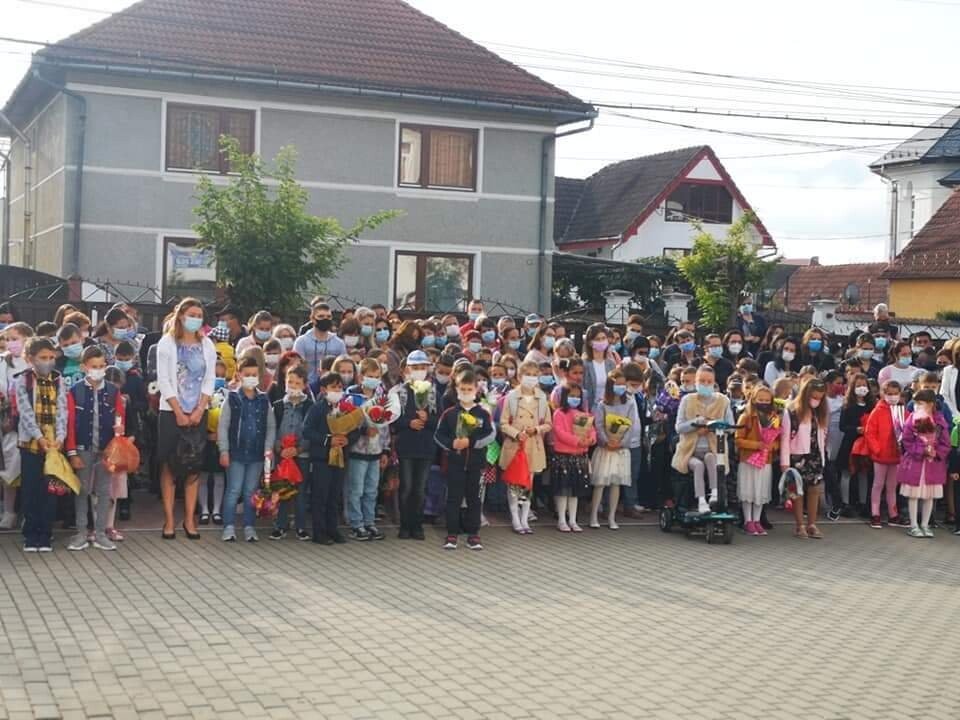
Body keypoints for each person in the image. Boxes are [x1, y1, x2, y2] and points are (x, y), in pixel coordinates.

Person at [155, 298, 217, 540]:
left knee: (193, 467)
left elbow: (209, 379)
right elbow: (163, 380)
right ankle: (169, 520)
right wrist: (178, 411)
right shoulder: (167, 343)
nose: (196, 319)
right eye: (192, 314)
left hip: (197, 411)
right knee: (169, 466)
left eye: (199, 316)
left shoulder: (207, 344)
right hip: (171, 412)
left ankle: (189, 519)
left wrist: (200, 408)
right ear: (181, 316)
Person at [64, 346, 125, 551]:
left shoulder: (113, 391)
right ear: (84, 367)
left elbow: (120, 416)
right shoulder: (75, 391)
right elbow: (70, 424)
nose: (98, 370)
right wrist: (72, 452)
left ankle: (100, 533)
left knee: (104, 491)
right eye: (94, 366)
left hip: (107, 450)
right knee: (82, 491)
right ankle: (81, 532)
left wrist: (119, 431)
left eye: (101, 366)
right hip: (83, 448)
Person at [15, 337, 68, 552]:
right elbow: (25, 412)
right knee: (31, 489)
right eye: (43, 357)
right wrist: (38, 437)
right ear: (31, 359)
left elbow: (63, 410)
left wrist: (60, 437)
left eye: (51, 357)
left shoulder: (58, 379)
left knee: (50, 489)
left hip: (53, 445)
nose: (48, 361)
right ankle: (31, 534)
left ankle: (45, 533)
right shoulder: (24, 380)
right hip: (31, 444)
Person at [218, 356, 276, 543]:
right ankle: (228, 526)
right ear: (239, 375)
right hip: (236, 453)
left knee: (251, 492)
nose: (251, 378)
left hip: (257, 454)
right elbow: (223, 426)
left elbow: (271, 426)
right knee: (233, 490)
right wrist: (224, 451)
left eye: (254, 374)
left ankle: (249, 526)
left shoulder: (264, 399)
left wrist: (268, 449)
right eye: (247, 374)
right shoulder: (232, 398)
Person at [434, 369, 495, 550]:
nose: (466, 392)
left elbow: (490, 434)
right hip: (455, 463)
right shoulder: (450, 413)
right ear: (457, 389)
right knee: (453, 499)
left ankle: (473, 534)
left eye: (470, 389)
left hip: (476, 464)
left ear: (476, 390)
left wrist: (471, 442)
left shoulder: (483, 413)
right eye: (463, 389)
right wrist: (452, 444)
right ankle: (452, 534)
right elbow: (438, 435)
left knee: (474, 499)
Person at [345, 358, 397, 541]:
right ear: (361, 377)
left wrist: (385, 451)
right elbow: (346, 425)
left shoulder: (383, 399)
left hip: (375, 453)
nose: (373, 380)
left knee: (371, 490)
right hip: (358, 452)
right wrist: (363, 431)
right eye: (370, 376)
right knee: (356, 490)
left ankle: (369, 522)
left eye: (376, 376)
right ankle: (356, 524)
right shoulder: (352, 399)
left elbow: (386, 427)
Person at [388, 350, 438, 540]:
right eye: (415, 367)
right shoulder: (398, 392)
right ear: (407, 369)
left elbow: (440, 421)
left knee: (420, 488)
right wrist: (409, 423)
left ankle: (417, 525)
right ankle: (405, 525)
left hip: (426, 448)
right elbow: (392, 420)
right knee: (406, 487)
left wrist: (428, 419)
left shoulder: (432, 392)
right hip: (406, 447)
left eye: (422, 367)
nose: (419, 371)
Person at [672, 365, 734, 514]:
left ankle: (714, 494)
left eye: (709, 381)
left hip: (714, 449)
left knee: (711, 458)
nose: (705, 384)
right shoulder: (687, 400)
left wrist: (713, 426)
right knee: (698, 466)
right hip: (690, 452)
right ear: (696, 382)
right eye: (702, 381)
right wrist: (696, 423)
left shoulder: (723, 401)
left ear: (714, 382)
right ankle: (701, 501)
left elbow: (730, 427)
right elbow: (679, 427)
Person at [499, 361, 551, 534]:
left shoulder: (542, 397)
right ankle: (515, 517)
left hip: (533, 445)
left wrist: (536, 429)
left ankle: (525, 517)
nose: (531, 378)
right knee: (514, 483)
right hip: (515, 444)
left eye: (535, 375)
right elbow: (503, 423)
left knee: (528, 483)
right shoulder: (512, 397)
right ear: (520, 376)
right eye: (528, 374)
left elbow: (548, 424)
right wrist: (516, 433)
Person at [303, 372, 353, 545]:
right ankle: (319, 532)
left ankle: (333, 529)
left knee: (334, 496)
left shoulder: (346, 408)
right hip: (321, 459)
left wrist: (348, 439)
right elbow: (307, 430)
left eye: (340, 387)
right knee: (320, 496)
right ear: (324, 390)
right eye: (333, 387)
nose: (337, 390)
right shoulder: (317, 408)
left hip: (340, 457)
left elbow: (355, 429)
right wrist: (327, 440)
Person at [589, 368, 638, 530]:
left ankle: (612, 517)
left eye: (623, 384)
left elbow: (631, 426)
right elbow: (598, 425)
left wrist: (621, 442)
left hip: (620, 449)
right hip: (605, 449)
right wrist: (606, 441)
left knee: (616, 483)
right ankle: (594, 516)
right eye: (618, 384)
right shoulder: (602, 404)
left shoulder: (629, 403)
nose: (621, 387)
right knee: (600, 483)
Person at [897, 389, 950, 538]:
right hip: (916, 463)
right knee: (913, 495)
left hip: (933, 465)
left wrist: (936, 452)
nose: (917, 406)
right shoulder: (912, 419)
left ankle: (925, 525)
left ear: (931, 404)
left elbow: (945, 443)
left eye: (921, 403)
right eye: (916, 403)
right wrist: (920, 450)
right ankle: (914, 525)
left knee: (929, 496)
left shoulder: (939, 421)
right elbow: (907, 440)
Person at [781, 377, 828, 539]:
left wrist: (823, 456)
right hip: (797, 456)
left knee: (815, 490)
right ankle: (800, 525)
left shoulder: (819, 412)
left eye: (820, 398)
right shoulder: (792, 412)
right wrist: (785, 463)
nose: (816, 401)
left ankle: (812, 524)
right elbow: (785, 439)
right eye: (814, 397)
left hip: (815, 455)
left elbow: (823, 433)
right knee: (797, 491)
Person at [270, 365, 314, 542]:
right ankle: (280, 525)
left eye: (297, 383)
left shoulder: (310, 406)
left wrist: (299, 449)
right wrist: (279, 448)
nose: (293, 386)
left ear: (304, 385)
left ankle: (301, 526)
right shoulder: (278, 406)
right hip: (282, 456)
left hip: (301, 456)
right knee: (282, 491)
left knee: (301, 492)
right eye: (290, 382)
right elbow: (272, 429)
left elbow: (310, 432)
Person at [550, 381, 596, 532]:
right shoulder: (559, 413)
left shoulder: (584, 414)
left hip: (580, 456)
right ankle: (562, 519)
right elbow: (560, 432)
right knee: (563, 490)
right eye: (571, 396)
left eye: (578, 396)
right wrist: (577, 441)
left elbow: (591, 430)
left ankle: (573, 519)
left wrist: (591, 439)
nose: (575, 399)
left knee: (575, 491)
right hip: (564, 456)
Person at [735, 385, 781, 537]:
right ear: (753, 399)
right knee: (748, 490)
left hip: (765, 460)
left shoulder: (774, 418)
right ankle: (747, 521)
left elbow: (778, 440)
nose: (764, 403)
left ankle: (757, 520)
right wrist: (756, 445)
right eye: (761, 399)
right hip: (748, 459)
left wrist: (771, 446)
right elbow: (738, 439)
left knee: (761, 491)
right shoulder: (746, 416)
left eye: (767, 400)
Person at [0, 322, 32, 529]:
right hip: (8, 424)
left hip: (30, 425)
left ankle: (28, 513)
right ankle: (9, 512)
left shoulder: (33, 362)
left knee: (30, 472)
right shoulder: (3, 363)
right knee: (9, 469)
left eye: (15, 339)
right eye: (8, 339)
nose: (11, 343)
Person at [864, 380, 908, 529]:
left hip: (896, 455)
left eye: (895, 394)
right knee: (878, 484)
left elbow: (908, 429)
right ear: (883, 394)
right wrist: (877, 449)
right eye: (889, 394)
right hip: (880, 456)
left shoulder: (902, 411)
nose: (892, 397)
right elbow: (870, 433)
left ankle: (893, 514)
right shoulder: (877, 411)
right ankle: (875, 513)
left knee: (892, 486)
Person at [836, 373, 875, 519]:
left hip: (866, 443)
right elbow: (842, 426)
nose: (862, 388)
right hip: (850, 443)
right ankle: (845, 503)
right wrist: (856, 429)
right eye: (858, 385)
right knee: (847, 472)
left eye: (864, 385)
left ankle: (863, 503)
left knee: (863, 472)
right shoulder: (847, 406)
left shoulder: (871, 406)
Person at [293, 303, 346, 384]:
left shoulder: (339, 343)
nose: (325, 319)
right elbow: (297, 367)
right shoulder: (301, 342)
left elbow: (343, 366)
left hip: (332, 386)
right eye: (321, 316)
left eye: (328, 317)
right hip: (307, 385)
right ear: (312, 319)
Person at [582, 323, 617, 411]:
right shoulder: (584, 364)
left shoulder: (611, 364)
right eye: (597, 339)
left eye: (603, 338)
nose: (601, 341)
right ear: (590, 342)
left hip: (608, 408)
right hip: (590, 408)